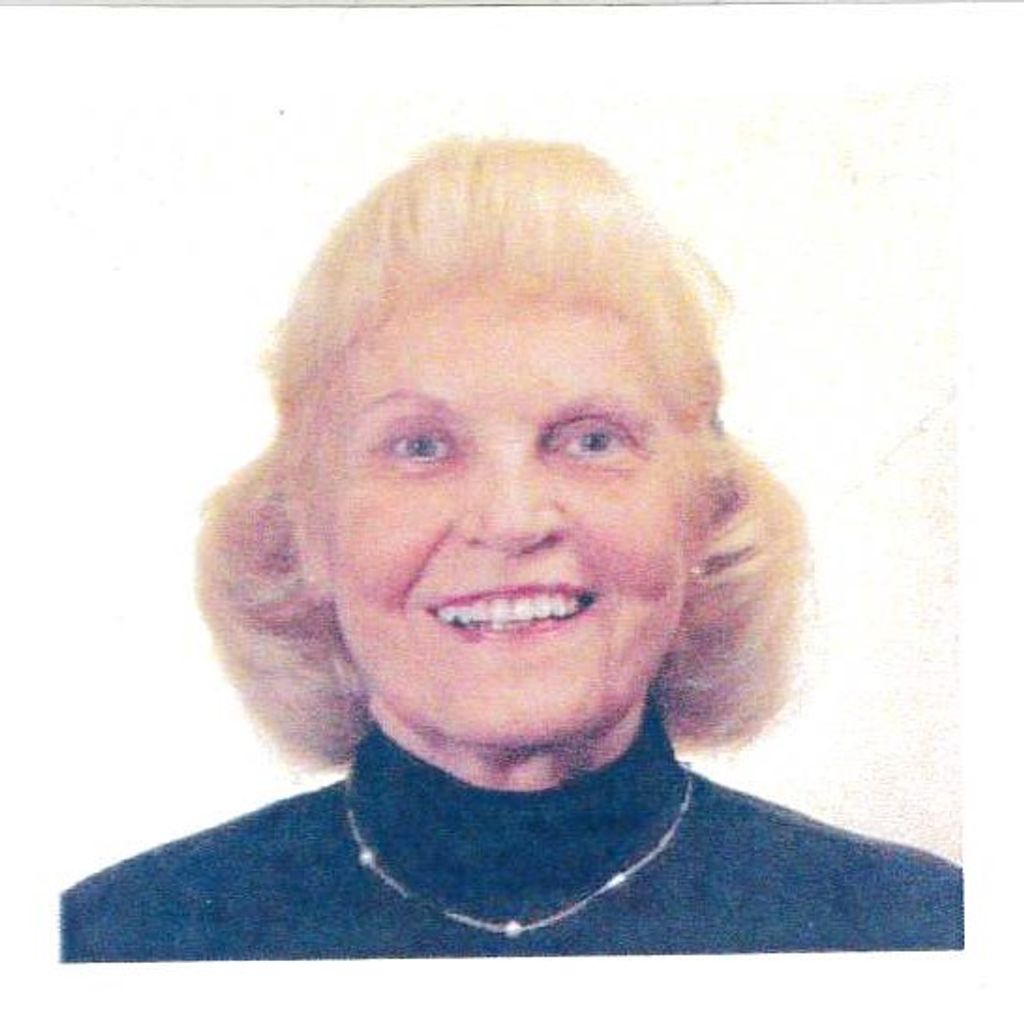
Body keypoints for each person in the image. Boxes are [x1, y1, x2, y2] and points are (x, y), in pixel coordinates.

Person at [61, 138, 962, 961]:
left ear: (705, 514)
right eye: (422, 447)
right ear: (307, 534)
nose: (511, 518)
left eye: (591, 440)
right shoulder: (117, 941)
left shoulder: (918, 930)